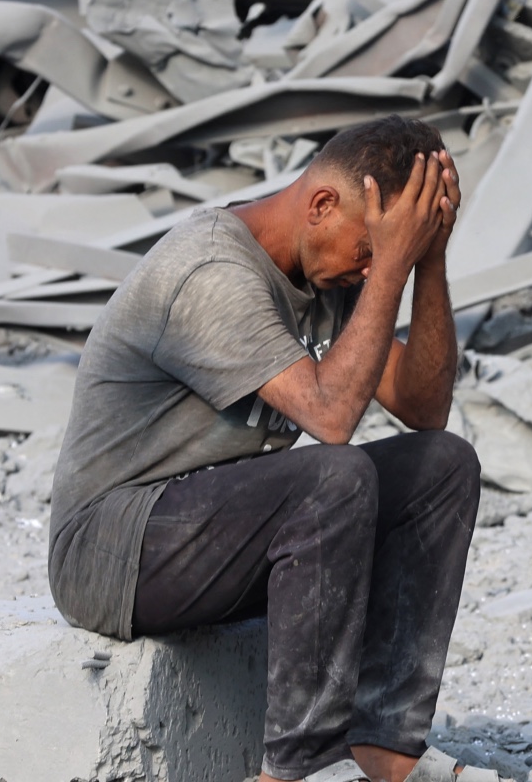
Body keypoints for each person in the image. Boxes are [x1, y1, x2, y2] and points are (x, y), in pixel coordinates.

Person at [47, 115, 479, 782]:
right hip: (111, 551)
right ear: (322, 204)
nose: (370, 268)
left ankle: (385, 750)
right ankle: (300, 769)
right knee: (335, 476)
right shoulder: (210, 272)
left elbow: (425, 408)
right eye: (368, 249)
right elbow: (331, 417)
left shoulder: (328, 272)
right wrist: (391, 265)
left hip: (218, 539)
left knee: (443, 467)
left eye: (383, 254)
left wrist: (430, 260)